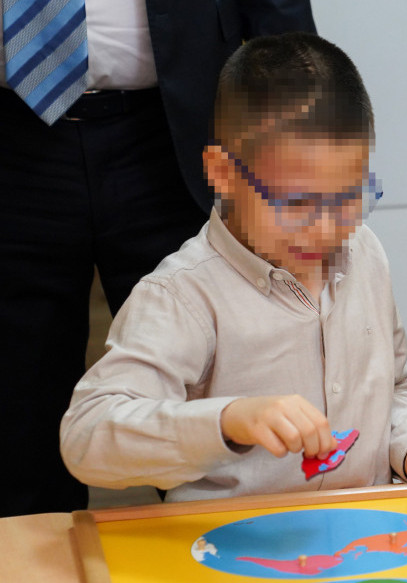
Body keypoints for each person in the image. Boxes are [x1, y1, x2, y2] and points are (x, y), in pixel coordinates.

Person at [58, 32, 407, 501]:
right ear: (222, 172)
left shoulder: (365, 253)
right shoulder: (183, 296)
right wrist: (228, 420)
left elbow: (394, 389)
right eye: (296, 203)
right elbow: (86, 436)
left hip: (361, 540)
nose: (324, 229)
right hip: (231, 549)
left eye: (348, 199)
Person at [0, 0, 316, 516]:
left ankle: (218, 571)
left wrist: (306, 119)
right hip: (14, 137)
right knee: (17, 391)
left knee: (205, 373)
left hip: (170, 131)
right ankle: (31, 580)